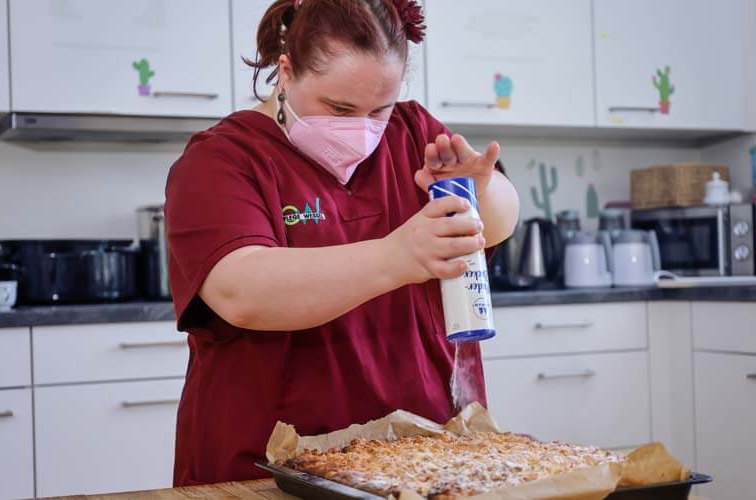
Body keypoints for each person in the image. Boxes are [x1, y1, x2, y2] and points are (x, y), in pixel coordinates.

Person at [165, 0, 520, 485]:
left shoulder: (413, 132)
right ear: (286, 72)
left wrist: (476, 194)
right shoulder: (222, 161)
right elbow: (241, 290)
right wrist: (398, 256)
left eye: (380, 108)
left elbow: (499, 220)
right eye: (339, 108)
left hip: (425, 457)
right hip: (266, 469)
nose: (363, 129)